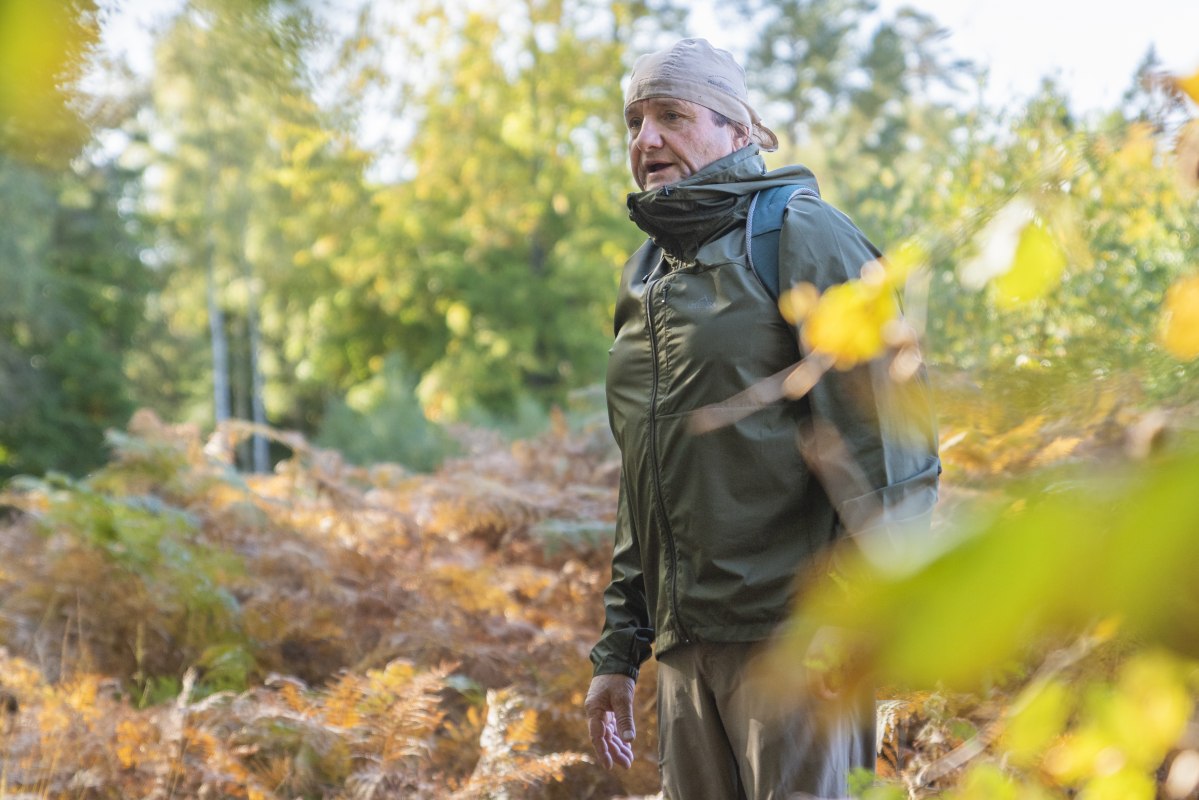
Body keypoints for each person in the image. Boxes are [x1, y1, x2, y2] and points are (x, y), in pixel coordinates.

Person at [583, 38, 940, 799]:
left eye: (671, 115)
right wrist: (618, 651)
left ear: (737, 132)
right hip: (685, 656)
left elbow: (895, 448)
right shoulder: (644, 276)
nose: (646, 140)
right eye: (634, 121)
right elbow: (645, 481)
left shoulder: (801, 235)